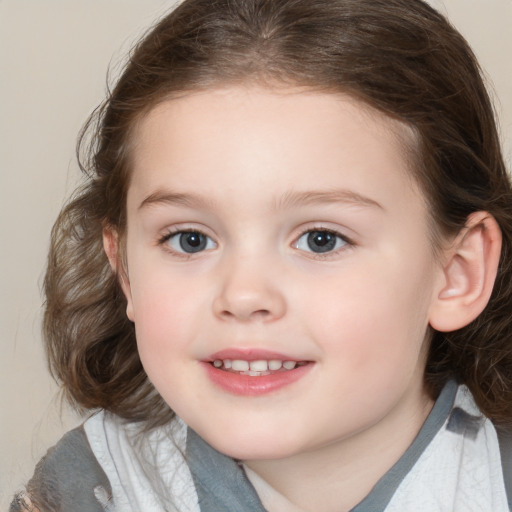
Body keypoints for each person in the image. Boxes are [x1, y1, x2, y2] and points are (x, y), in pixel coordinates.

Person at [10, 0, 512, 510]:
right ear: (126, 272)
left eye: (321, 239)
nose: (244, 295)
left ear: (456, 272)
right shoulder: (85, 491)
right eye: (190, 239)